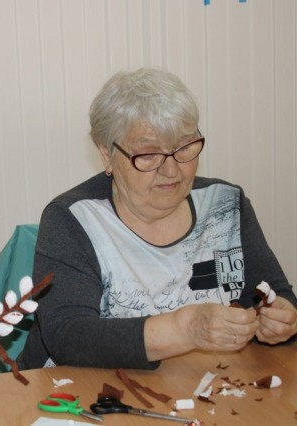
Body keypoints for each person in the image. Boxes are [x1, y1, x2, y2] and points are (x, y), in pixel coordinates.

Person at [18, 67, 297, 371]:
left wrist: (281, 318)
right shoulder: (74, 219)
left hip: (199, 383)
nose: (171, 170)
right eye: (148, 155)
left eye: (184, 147)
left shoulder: (225, 205)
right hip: (79, 389)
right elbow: (68, 336)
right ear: (107, 154)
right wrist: (184, 329)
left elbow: (273, 295)